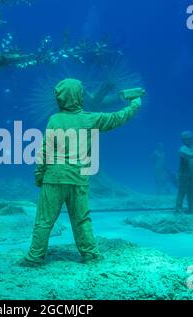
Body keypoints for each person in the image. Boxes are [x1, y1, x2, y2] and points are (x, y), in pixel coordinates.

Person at [23, 78, 143, 266]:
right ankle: (90, 255)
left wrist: (39, 175)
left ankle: (34, 257)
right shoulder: (89, 119)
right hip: (78, 179)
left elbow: (44, 149)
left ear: (60, 97)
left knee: (44, 220)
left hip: (53, 178)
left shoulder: (54, 120)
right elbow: (117, 118)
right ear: (79, 96)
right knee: (82, 220)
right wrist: (135, 104)